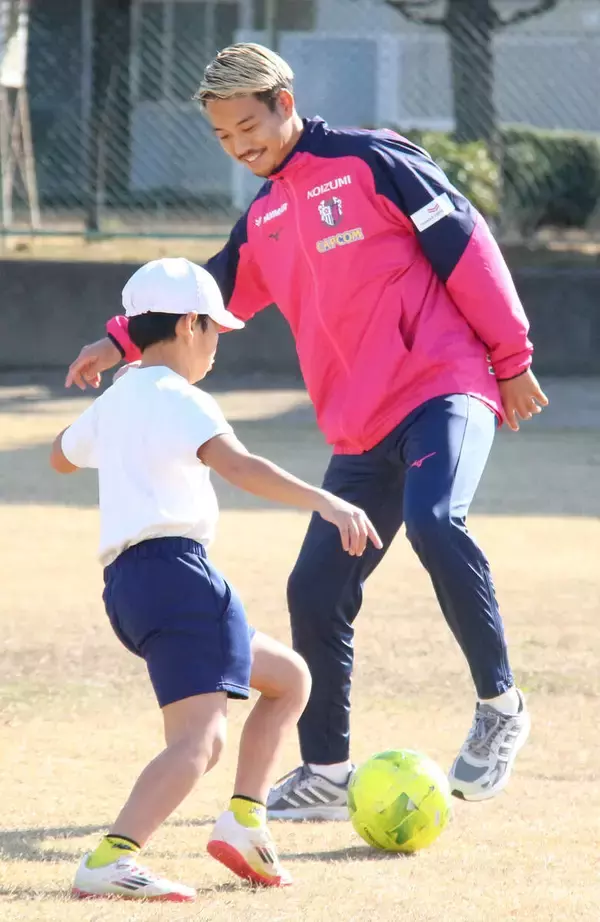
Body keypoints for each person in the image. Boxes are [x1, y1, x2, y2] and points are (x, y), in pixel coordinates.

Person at [65, 43, 548, 818]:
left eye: (249, 126)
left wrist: (511, 357)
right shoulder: (264, 215)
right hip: (360, 425)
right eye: (224, 138)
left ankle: (501, 707)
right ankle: (326, 773)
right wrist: (122, 339)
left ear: (284, 103)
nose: (240, 146)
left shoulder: (372, 163)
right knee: (314, 588)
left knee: (433, 520)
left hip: (443, 385)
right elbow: (209, 292)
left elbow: (464, 240)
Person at [51, 257, 382, 901]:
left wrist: (113, 398)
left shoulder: (122, 395)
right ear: (188, 324)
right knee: (199, 743)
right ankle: (113, 858)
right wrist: (329, 501)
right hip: (179, 577)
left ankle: (244, 823)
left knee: (288, 680)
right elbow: (240, 465)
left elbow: (62, 457)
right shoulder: (181, 396)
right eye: (214, 333)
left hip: (131, 588)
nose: (215, 348)